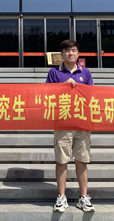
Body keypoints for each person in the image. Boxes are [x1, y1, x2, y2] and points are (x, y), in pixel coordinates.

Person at [46, 39, 94, 213]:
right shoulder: (54, 72)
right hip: (62, 123)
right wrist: (63, 87)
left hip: (82, 123)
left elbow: (92, 97)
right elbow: (46, 95)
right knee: (62, 160)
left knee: (82, 160)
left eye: (73, 50)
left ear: (78, 53)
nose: (70, 53)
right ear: (61, 55)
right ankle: (61, 197)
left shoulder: (85, 73)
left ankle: (84, 197)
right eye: (67, 51)